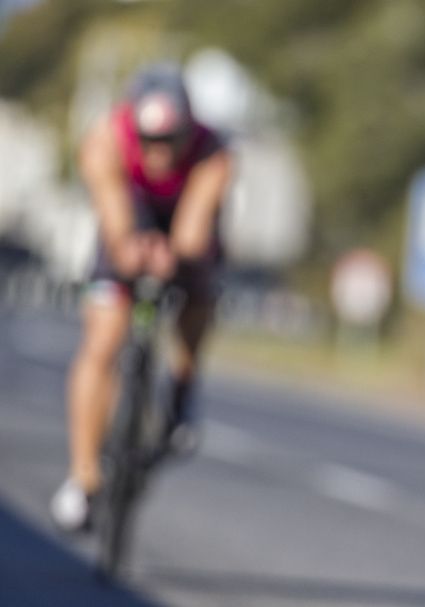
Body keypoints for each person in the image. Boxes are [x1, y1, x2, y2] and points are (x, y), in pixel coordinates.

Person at [50, 64, 231, 532]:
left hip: (183, 217)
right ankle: (83, 477)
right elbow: (115, 220)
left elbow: (194, 231)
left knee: (200, 289)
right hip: (130, 213)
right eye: (150, 142)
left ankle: (183, 389)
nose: (159, 153)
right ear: (135, 128)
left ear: (187, 130)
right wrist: (128, 249)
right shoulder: (104, 140)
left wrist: (179, 258)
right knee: (102, 339)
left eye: (170, 141)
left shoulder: (213, 151)